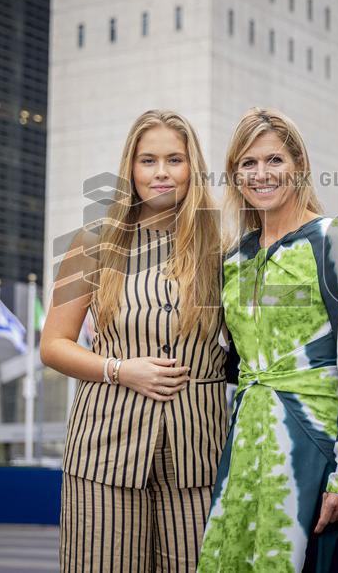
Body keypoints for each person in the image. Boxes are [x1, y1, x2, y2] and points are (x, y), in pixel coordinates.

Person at [41, 110, 228, 571]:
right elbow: (54, 344)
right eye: (148, 160)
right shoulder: (92, 243)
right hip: (104, 448)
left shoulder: (222, 246)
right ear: (131, 169)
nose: (161, 172)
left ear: (192, 168)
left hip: (198, 451)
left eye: (174, 159)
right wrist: (121, 370)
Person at [198, 108, 338, 572]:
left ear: (298, 165)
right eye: (248, 163)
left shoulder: (334, 239)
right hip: (243, 450)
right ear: (235, 174)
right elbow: (228, 360)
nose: (261, 174)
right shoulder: (233, 259)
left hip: (312, 447)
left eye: (274, 160)